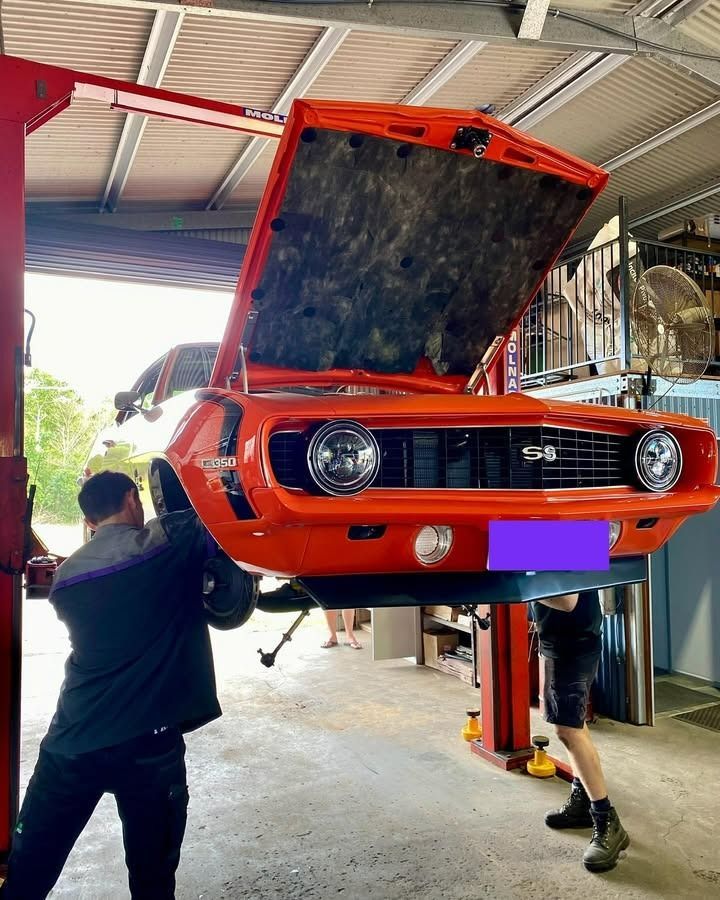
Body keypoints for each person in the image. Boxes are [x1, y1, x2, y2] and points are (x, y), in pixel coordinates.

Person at [0, 471, 254, 899]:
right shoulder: (168, 543)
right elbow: (225, 518)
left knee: (28, 875)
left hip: (73, 742)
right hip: (148, 747)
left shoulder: (66, 578)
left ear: (90, 520)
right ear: (132, 499)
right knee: (153, 882)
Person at [532, 590, 630, 873]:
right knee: (571, 725)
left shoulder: (569, 551)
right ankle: (582, 800)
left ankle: (607, 820)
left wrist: (514, 585)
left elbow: (566, 601)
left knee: (567, 730)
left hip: (573, 644)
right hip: (561, 639)